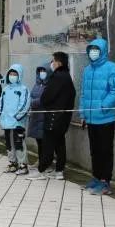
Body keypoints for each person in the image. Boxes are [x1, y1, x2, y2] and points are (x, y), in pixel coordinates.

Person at [80, 38, 115, 195]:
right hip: (91, 118)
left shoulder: (112, 68)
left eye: (96, 49)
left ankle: (105, 182)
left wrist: (104, 105)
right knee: (95, 150)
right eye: (91, 49)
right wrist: (83, 113)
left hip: (105, 118)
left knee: (105, 150)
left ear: (103, 51)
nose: (93, 52)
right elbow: (83, 94)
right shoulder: (87, 70)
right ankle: (96, 177)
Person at [28, 52, 76, 180]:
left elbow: (47, 96)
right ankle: (59, 170)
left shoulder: (57, 77)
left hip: (54, 116)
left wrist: (46, 101)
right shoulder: (66, 76)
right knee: (60, 143)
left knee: (48, 144)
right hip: (64, 117)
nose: (52, 63)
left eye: (53, 61)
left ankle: (41, 170)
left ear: (58, 63)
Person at [0, 64, 30, 175]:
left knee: (19, 143)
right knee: (8, 143)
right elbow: (1, 104)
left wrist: (17, 117)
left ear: (19, 75)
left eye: (15, 74)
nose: (12, 76)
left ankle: (23, 165)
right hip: (6, 122)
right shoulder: (5, 89)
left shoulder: (23, 89)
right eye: (10, 74)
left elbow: (25, 104)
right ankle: (13, 163)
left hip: (17, 122)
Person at [28, 65, 50, 167]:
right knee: (39, 140)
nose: (42, 73)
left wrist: (32, 102)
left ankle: (45, 162)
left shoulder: (49, 85)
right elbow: (31, 96)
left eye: (44, 71)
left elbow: (44, 99)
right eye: (40, 71)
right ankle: (40, 160)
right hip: (35, 116)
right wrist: (31, 102)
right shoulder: (36, 84)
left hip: (44, 116)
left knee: (45, 141)